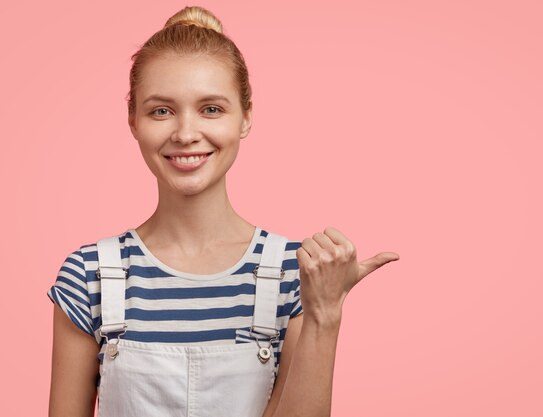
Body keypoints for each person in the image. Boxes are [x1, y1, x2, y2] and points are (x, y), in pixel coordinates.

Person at [48, 5, 399, 417]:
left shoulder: (295, 273)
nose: (186, 133)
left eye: (211, 109)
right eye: (161, 110)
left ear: (245, 117)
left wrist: (324, 312)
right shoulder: (89, 275)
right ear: (133, 120)